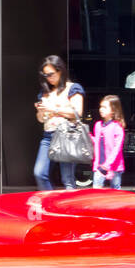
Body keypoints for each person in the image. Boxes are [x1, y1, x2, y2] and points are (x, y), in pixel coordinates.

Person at [34, 55, 84, 190]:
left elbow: (77, 113)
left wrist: (53, 109)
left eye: (50, 74)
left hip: (67, 135)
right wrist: (41, 112)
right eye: (45, 75)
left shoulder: (73, 88)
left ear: (60, 70)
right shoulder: (45, 92)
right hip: (48, 136)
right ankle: (49, 205)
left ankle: (71, 210)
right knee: (39, 173)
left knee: (67, 179)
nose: (48, 78)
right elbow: (41, 119)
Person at [91, 95, 126, 189]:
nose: (101, 109)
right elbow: (98, 144)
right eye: (100, 106)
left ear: (113, 110)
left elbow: (117, 149)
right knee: (96, 192)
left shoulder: (117, 127)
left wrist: (107, 165)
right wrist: (89, 137)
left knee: (115, 193)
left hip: (114, 166)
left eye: (104, 107)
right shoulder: (98, 125)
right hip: (99, 166)